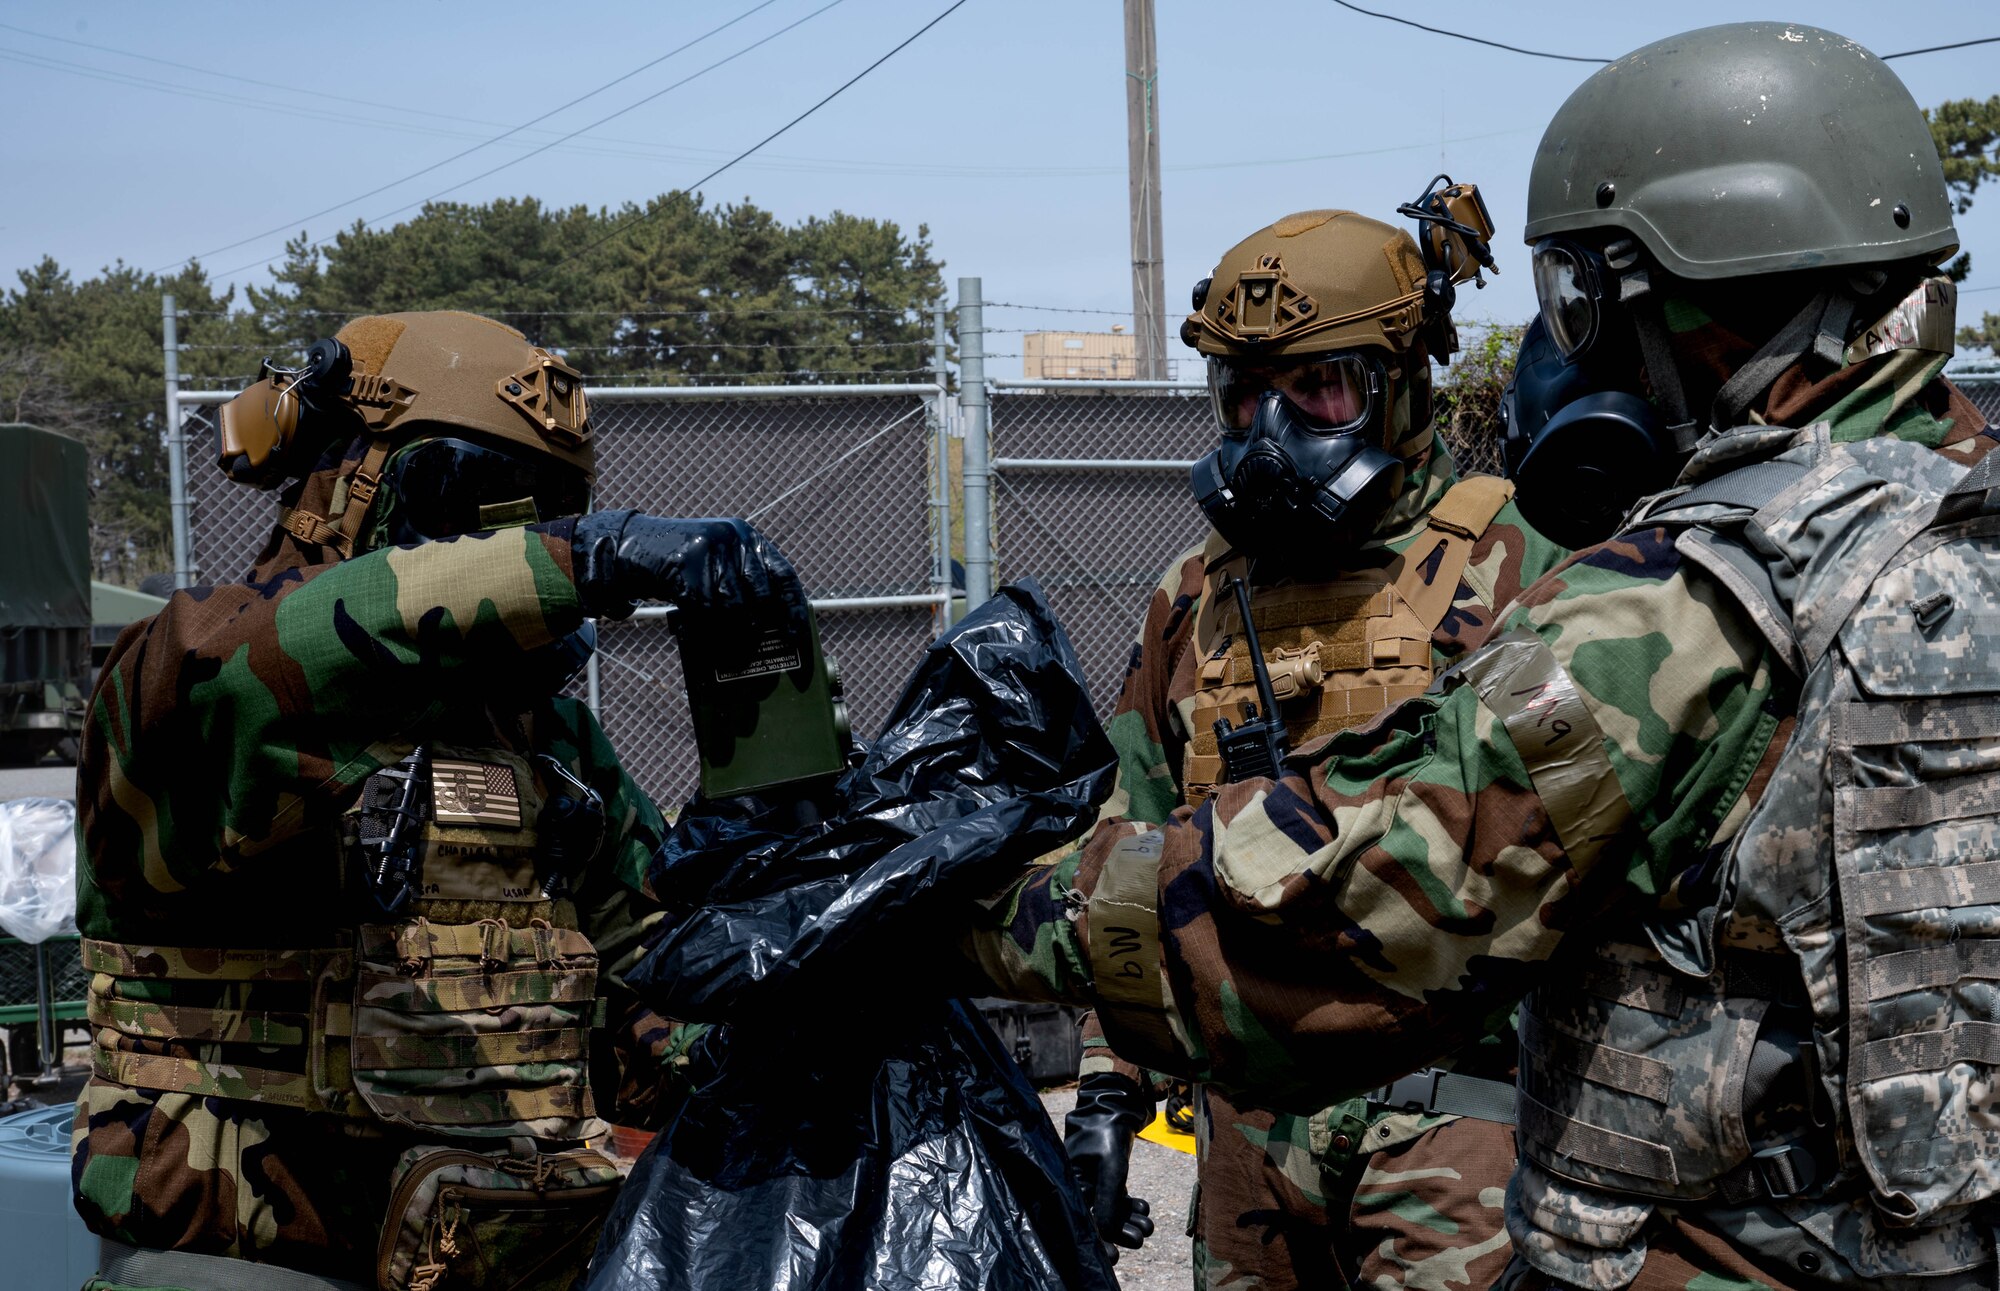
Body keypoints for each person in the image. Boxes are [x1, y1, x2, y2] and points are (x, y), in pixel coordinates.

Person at [962, 23, 2000, 1290]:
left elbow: (1359, 902)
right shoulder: (1949, 520)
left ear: (1708, 290)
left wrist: (950, 914)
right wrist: (1109, 1094)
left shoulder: (1680, 598)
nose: (1579, 351)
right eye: (1243, 394)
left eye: (1585, 298)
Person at [71, 310, 803, 1290]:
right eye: (467, 499)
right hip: (254, 1254)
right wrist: (578, 564)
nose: (506, 545)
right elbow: (275, 672)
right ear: (343, 481)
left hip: (503, 1249)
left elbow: (648, 1006)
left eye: (539, 512)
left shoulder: (552, 750)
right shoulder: (190, 684)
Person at [1047, 203, 1567, 1288]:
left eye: (1318, 389)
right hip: (1246, 1138)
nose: (1269, 433)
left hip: (1454, 1130)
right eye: (1244, 395)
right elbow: (1126, 841)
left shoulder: (1523, 566)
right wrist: (1106, 1085)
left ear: (1402, 385)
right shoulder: (1193, 594)